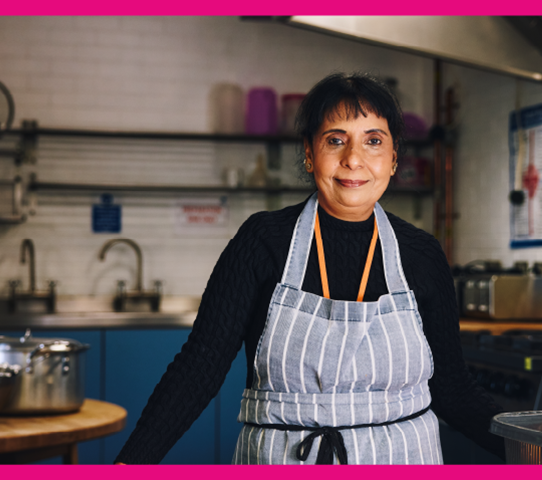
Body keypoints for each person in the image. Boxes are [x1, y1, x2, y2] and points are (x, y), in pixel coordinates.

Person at [115, 72, 504, 465]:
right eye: (335, 140)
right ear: (308, 153)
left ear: (393, 159)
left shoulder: (421, 253)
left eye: (373, 141)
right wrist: (129, 465)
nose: (354, 158)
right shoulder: (262, 241)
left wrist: (534, 451)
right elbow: (200, 366)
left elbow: (453, 390)